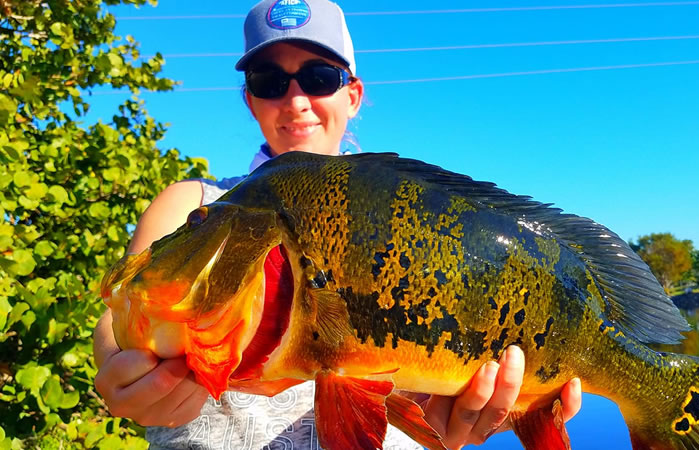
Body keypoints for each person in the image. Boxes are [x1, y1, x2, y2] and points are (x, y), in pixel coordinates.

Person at [93, 1, 583, 448]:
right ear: (249, 100)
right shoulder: (196, 204)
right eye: (270, 81)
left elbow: (426, 414)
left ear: (353, 94)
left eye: (320, 77)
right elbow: (123, 314)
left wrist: (450, 423)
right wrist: (121, 367)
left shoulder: (409, 215)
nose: (296, 99)